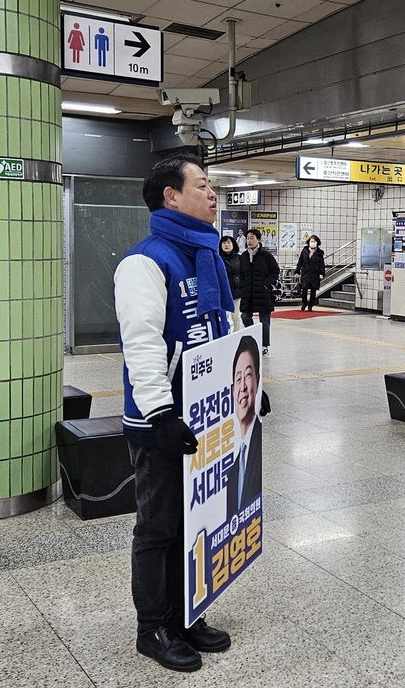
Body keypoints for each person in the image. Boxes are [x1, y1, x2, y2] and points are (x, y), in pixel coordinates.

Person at [113, 153, 234, 674]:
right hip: (161, 424)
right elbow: (141, 344)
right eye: (202, 185)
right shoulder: (146, 261)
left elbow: (222, 327)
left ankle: (187, 613)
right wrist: (161, 413)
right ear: (171, 196)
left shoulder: (205, 255)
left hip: (205, 415)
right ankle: (153, 628)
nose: (212, 194)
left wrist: (248, 382)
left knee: (195, 522)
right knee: (158, 527)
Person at [225, 334, 263, 520]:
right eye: (238, 379)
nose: (243, 388)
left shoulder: (258, 443)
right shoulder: (232, 473)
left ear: (258, 379)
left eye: (248, 375)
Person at [239, 228, 279, 355]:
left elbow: (275, 271)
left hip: (263, 293)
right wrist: (243, 285)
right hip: (248, 293)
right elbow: (241, 274)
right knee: (245, 316)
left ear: (258, 240)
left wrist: (266, 283)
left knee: (264, 320)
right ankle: (254, 339)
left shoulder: (266, 255)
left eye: (252, 238)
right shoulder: (244, 256)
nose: (249, 241)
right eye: (248, 238)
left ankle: (264, 344)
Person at [294, 235, 325, 311]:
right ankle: (304, 303)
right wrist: (297, 271)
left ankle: (310, 305)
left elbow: (322, 264)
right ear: (309, 242)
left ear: (317, 243)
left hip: (315, 274)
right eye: (311, 241)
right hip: (305, 274)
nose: (313, 243)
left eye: (314, 241)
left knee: (313, 291)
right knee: (304, 290)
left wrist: (321, 273)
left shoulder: (320, 253)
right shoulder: (304, 251)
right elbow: (300, 262)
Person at [219, 235, 242, 332]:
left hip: (236, 292)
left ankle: (236, 335)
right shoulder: (217, 258)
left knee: (236, 316)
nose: (226, 245)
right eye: (224, 243)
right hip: (222, 292)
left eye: (228, 243)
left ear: (233, 244)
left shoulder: (239, 258)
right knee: (223, 316)